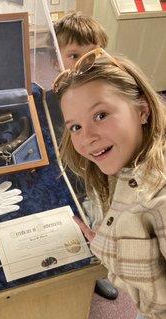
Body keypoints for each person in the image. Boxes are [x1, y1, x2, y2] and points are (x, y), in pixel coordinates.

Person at [53, 48, 166, 319]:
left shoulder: (160, 197)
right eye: (75, 126)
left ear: (142, 110)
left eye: (100, 115)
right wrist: (109, 240)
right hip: (156, 310)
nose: (86, 137)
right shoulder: (132, 159)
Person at [53, 12, 118, 300]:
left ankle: (97, 270)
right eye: (74, 54)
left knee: (100, 219)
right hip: (67, 171)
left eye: (92, 54)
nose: (83, 63)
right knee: (71, 221)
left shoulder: (106, 90)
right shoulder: (51, 93)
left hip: (98, 169)